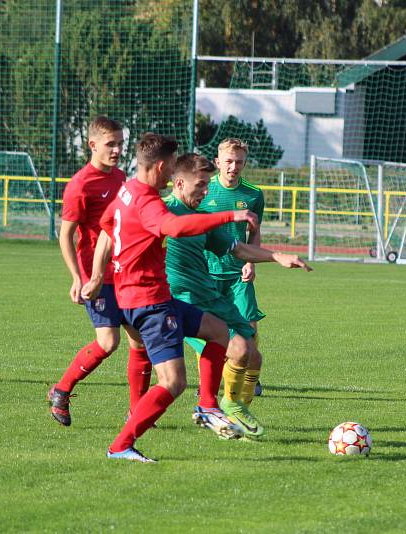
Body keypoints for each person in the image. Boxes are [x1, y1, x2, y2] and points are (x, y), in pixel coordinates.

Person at [81, 133, 261, 463]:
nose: (172, 175)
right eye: (171, 169)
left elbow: (106, 229)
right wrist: (228, 216)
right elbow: (174, 228)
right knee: (174, 381)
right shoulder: (148, 200)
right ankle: (121, 445)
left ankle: (208, 405)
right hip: (148, 302)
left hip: (148, 297)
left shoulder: (125, 192)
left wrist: (95, 277)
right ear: (162, 167)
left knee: (218, 330)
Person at [165, 153, 310, 439]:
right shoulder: (161, 212)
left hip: (210, 297)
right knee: (237, 350)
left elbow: (239, 249)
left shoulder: (202, 219)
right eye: (200, 186)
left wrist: (278, 256)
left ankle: (233, 407)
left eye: (207, 185)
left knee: (254, 356)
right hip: (180, 301)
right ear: (180, 183)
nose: (206, 192)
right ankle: (216, 407)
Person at [47, 116, 152, 426]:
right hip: (98, 277)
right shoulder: (80, 184)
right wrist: (77, 278)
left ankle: (137, 412)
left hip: (126, 273)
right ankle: (62, 391)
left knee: (141, 340)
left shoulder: (121, 177)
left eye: (121, 143)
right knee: (108, 342)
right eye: (111, 144)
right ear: (92, 145)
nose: (118, 149)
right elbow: (66, 235)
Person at [186, 138, 266, 401]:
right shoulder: (205, 191)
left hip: (238, 275)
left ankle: (250, 382)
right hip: (206, 275)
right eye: (229, 162)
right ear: (218, 162)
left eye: (239, 162)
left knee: (249, 331)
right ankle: (206, 383)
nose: (234, 167)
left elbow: (255, 233)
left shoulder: (253, 195)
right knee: (206, 330)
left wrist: (250, 261)